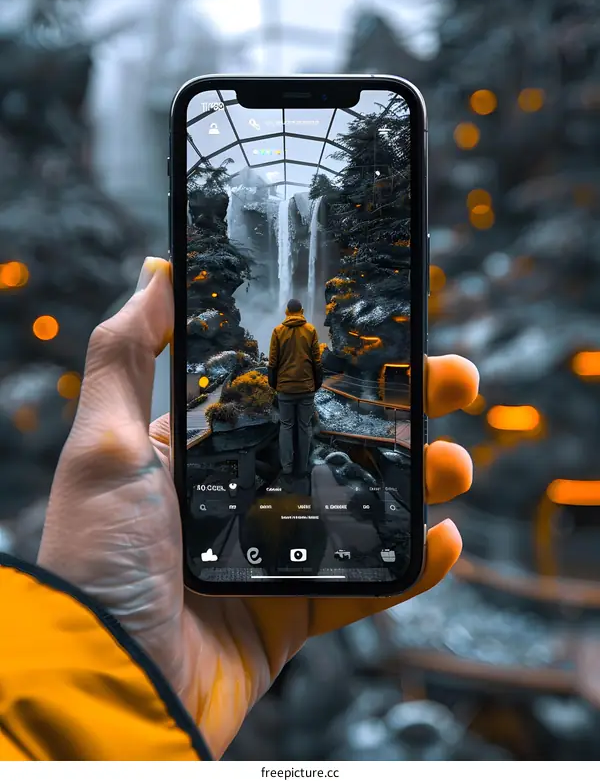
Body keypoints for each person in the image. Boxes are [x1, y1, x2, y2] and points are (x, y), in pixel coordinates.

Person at [0, 257, 478, 760]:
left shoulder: (272, 345)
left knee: (291, 441)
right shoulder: (308, 342)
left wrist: (109, 676)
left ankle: (293, 470)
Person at [268, 298, 323, 490]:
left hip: (285, 388)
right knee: (304, 426)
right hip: (306, 388)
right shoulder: (310, 330)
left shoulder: (278, 331)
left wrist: (274, 383)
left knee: (286, 426)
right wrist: (316, 383)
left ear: (286, 312)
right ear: (302, 310)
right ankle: (302, 467)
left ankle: (287, 468)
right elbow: (317, 361)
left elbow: (273, 362)